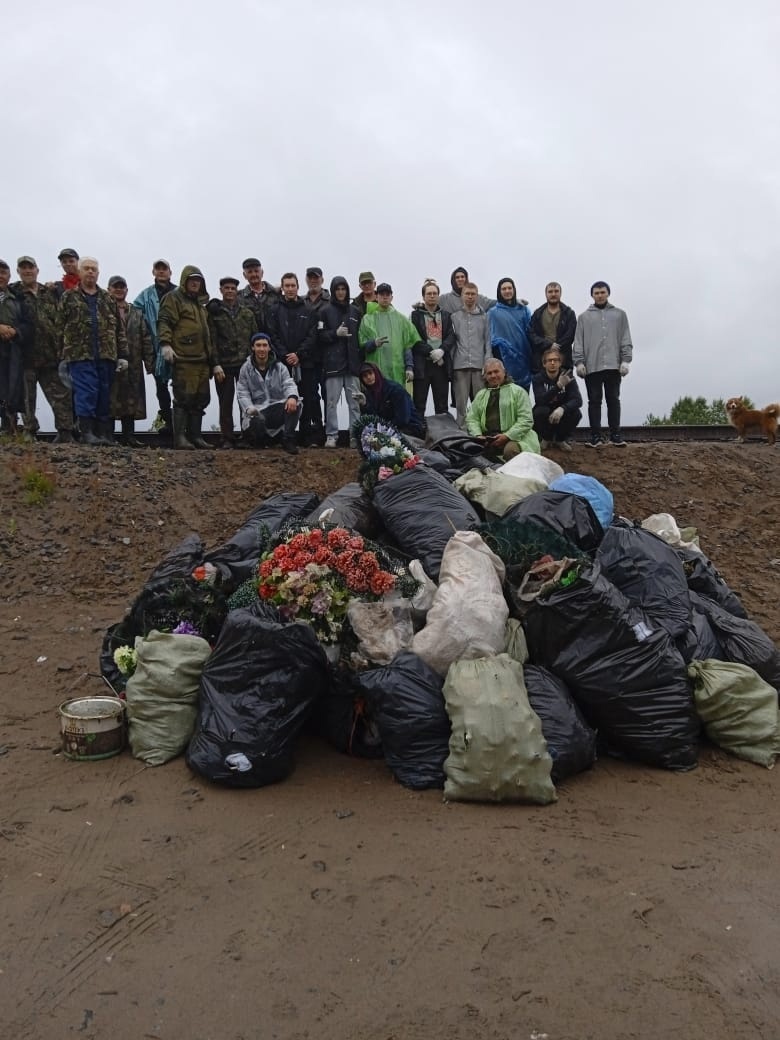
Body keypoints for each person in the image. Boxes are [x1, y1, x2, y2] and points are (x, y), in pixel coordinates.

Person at [59, 257, 127, 446]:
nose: (90, 272)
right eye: (86, 268)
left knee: (104, 394)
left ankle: (104, 434)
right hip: (80, 355)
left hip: (106, 355)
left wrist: (123, 355)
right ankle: (86, 432)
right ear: (80, 272)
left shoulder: (108, 298)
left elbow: (119, 329)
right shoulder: (68, 297)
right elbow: (59, 326)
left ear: (98, 273)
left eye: (94, 269)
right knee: (86, 392)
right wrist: (62, 355)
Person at [157, 265, 222, 450]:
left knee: (200, 399)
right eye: (192, 280)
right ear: (184, 281)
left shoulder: (200, 306)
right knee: (183, 398)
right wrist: (165, 344)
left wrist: (214, 363)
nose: (195, 283)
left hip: (202, 361)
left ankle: (196, 437)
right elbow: (164, 321)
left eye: (198, 280)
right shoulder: (173, 298)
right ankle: (179, 439)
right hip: (184, 359)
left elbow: (208, 335)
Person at [11, 256, 72, 442]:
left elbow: (62, 317)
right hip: (25, 355)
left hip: (51, 355)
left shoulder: (50, 292)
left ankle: (65, 432)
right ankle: (29, 431)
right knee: (27, 397)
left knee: (61, 395)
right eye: (24, 268)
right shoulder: (13, 292)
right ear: (18, 272)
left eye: (31, 267)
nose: (28, 271)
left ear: (37, 270)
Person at [573, 281, 633, 448]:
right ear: (592, 295)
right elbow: (578, 341)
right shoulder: (583, 317)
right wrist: (578, 362)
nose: (600, 295)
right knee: (594, 401)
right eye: (596, 293)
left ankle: (616, 435)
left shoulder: (620, 315)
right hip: (592, 366)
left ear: (608, 293)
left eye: (602, 292)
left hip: (614, 365)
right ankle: (595, 436)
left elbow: (625, 338)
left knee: (613, 399)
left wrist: (626, 360)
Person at [268, 272, 323, 446]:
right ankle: (283, 435)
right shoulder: (274, 310)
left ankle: (307, 436)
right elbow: (272, 335)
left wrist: (299, 354)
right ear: (282, 288)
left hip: (305, 363)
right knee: (281, 399)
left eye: (293, 285)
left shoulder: (309, 310)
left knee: (308, 398)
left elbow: (312, 336)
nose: (290, 289)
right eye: (287, 286)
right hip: (281, 365)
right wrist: (285, 355)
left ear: (298, 287)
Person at [207, 276, 258, 448]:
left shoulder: (247, 313)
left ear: (237, 291)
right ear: (221, 290)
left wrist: (254, 362)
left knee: (245, 403)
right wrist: (215, 364)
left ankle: (247, 436)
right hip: (224, 366)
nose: (229, 291)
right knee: (225, 402)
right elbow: (211, 340)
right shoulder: (214, 313)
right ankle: (227, 438)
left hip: (245, 366)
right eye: (226, 288)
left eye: (233, 288)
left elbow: (255, 338)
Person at [107, 275, 154, 447]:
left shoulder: (137, 312)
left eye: (122, 287)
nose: (119, 290)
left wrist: (150, 364)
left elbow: (146, 338)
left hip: (134, 364)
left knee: (132, 400)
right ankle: (109, 436)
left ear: (126, 290)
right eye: (115, 287)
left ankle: (129, 436)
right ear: (109, 289)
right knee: (110, 399)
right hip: (110, 362)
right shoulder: (104, 310)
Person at [236, 331, 300, 454]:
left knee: (296, 404)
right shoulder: (245, 368)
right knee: (256, 420)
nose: (262, 349)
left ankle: (288, 439)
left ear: (269, 347)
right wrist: (249, 408)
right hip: (256, 411)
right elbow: (242, 392)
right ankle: (259, 443)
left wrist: (292, 397)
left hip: (275, 409)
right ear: (253, 347)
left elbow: (288, 383)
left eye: (265, 345)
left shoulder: (279, 366)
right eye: (258, 345)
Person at [133, 260, 177, 437]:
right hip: (155, 348)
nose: (161, 272)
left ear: (170, 272)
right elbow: (134, 312)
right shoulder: (145, 295)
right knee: (161, 388)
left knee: (181, 387)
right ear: (153, 272)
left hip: (179, 347)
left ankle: (182, 425)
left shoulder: (179, 293)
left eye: (164, 269)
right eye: (158, 269)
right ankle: (168, 422)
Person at [465, 357, 540, 460]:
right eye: (489, 373)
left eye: (496, 371)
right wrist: (478, 436)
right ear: (485, 377)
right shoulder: (480, 395)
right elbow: (472, 418)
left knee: (510, 451)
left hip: (517, 439)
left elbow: (526, 420)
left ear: (504, 372)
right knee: (470, 453)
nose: (493, 375)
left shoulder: (518, 392)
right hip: (489, 439)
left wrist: (507, 436)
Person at [319, 276, 361, 448]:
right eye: (338, 289)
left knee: (355, 403)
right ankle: (331, 435)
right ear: (333, 291)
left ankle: (355, 436)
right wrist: (334, 334)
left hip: (352, 365)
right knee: (331, 403)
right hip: (333, 365)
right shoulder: (324, 311)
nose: (341, 292)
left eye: (344, 289)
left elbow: (360, 337)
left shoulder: (355, 311)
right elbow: (319, 336)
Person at [409, 278, 455, 416]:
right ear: (423, 296)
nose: (432, 296)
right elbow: (413, 338)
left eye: (435, 293)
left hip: (441, 365)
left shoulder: (446, 315)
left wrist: (442, 350)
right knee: (419, 403)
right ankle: (419, 434)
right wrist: (430, 352)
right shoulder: (415, 315)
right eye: (429, 293)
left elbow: (451, 335)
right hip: (422, 365)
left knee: (441, 405)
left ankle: (442, 434)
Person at [358, 282, 420, 386]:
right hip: (375, 372)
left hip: (397, 371)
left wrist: (409, 367)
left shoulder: (402, 320)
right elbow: (362, 346)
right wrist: (373, 343)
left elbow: (407, 345)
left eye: (387, 295)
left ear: (392, 297)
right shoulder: (367, 319)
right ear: (376, 297)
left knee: (397, 399)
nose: (385, 297)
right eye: (382, 294)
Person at [450, 282, 491, 427]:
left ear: (477, 296)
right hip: (460, 365)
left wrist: (487, 363)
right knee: (461, 405)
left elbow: (488, 341)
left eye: (473, 294)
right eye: (467, 294)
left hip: (479, 365)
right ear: (462, 296)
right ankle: (461, 433)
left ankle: (480, 432)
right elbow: (452, 342)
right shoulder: (454, 317)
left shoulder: (484, 317)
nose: (470, 297)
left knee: (480, 403)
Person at [354, 362, 424, 438]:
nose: (368, 377)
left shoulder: (395, 389)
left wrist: (383, 430)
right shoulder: (368, 394)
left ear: (376, 373)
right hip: (388, 428)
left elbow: (403, 419)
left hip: (409, 428)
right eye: (365, 376)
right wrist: (365, 405)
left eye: (370, 373)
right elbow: (374, 418)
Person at [531, 346, 582, 451]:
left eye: (556, 360)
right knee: (539, 411)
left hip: (561, 413)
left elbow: (578, 400)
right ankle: (546, 439)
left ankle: (560, 440)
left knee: (576, 413)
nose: (553, 363)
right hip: (545, 412)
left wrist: (562, 409)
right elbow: (540, 400)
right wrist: (558, 386)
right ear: (544, 364)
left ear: (560, 363)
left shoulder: (568, 377)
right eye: (549, 360)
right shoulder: (537, 378)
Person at [488, 277, 533, 391]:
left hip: (524, 358)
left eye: (509, 288)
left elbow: (531, 331)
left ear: (514, 290)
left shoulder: (523, 310)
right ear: (499, 291)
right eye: (504, 289)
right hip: (503, 360)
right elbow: (490, 337)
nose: (507, 291)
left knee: (522, 398)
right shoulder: (493, 312)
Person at [528, 281, 577, 374]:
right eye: (550, 291)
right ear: (546, 294)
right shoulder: (537, 314)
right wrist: (548, 345)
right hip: (541, 361)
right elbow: (531, 334)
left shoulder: (569, 313)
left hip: (564, 361)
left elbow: (571, 334)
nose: (553, 294)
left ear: (560, 293)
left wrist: (557, 346)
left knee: (565, 387)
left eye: (556, 291)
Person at [0, 260, 25, 435]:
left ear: (9, 276)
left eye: (3, 272)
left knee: (10, 387)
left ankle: (9, 427)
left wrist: (15, 331)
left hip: (11, 349)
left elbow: (27, 322)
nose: (0, 276)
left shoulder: (18, 298)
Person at [238, 258, 279, 330]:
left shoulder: (276, 294)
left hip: (274, 339)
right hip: (251, 339)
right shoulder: (239, 298)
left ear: (262, 273)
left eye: (256, 271)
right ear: (244, 275)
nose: (254, 274)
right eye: (250, 272)